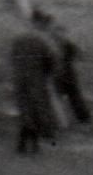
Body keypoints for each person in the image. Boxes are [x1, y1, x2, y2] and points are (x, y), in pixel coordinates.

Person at [9, 12, 62, 154]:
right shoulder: (43, 40)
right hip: (36, 78)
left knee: (24, 108)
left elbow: (12, 58)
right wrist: (51, 75)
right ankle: (35, 142)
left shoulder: (18, 38)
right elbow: (53, 61)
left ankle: (23, 143)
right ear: (41, 23)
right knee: (37, 108)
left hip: (19, 78)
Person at [47, 13, 90, 125]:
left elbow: (80, 55)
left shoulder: (56, 44)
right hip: (65, 74)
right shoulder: (66, 44)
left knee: (68, 97)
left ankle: (80, 118)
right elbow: (81, 55)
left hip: (62, 75)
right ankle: (82, 118)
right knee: (72, 97)